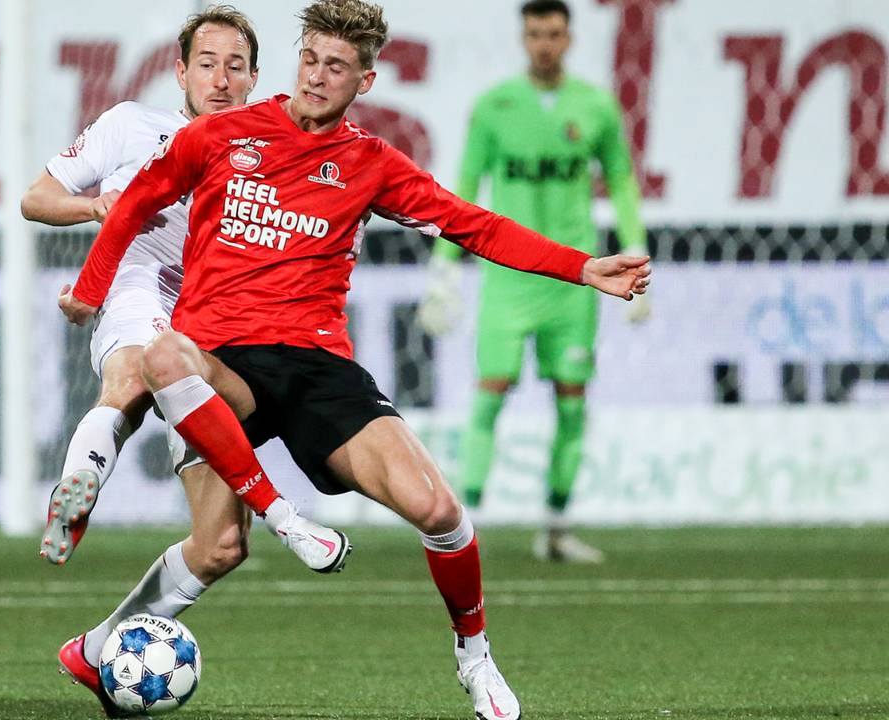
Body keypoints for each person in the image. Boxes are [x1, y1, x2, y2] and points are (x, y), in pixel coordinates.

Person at [59, 0, 650, 716]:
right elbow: (132, 204)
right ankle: (284, 518)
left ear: (363, 81)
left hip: (314, 367)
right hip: (220, 369)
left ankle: (476, 661)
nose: (316, 76)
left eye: (336, 66)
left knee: (438, 510)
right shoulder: (220, 135)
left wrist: (583, 267)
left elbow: (474, 224)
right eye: (309, 58)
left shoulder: (369, 164)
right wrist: (92, 294)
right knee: (164, 361)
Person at [26, 8, 345, 718]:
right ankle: (80, 482)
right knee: (137, 368)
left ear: (257, 79)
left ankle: (98, 648)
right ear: (180, 72)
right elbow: (34, 197)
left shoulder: (276, 142)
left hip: (223, 332)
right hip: (146, 289)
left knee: (223, 544)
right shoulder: (131, 126)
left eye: (236, 66)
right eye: (207, 63)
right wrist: (93, 207)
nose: (221, 78)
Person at [417, 0, 651, 564]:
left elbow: (620, 180)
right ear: (523, 39)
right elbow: (466, 190)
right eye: (534, 33)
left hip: (576, 278)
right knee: (489, 395)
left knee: (571, 401)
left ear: (568, 38)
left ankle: (555, 528)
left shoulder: (595, 106)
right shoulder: (495, 107)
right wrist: (444, 267)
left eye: (553, 33)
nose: (543, 43)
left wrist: (636, 245)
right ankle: (464, 524)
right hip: (509, 276)